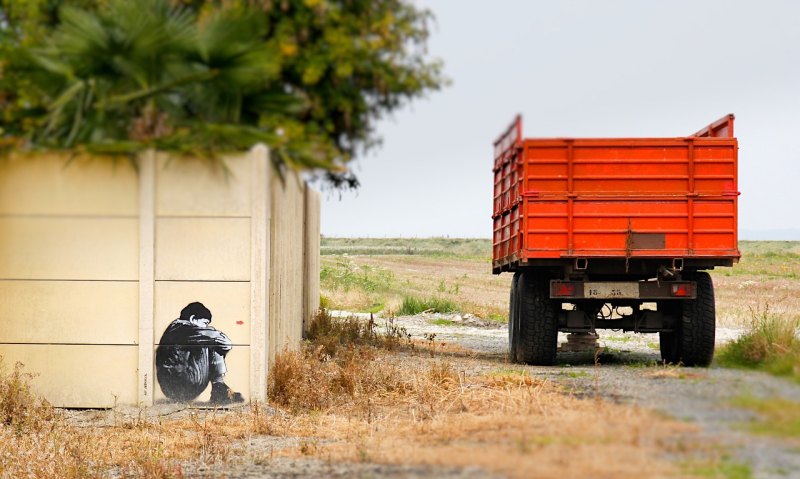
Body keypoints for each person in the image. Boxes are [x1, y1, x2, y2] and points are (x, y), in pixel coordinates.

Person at [155, 302, 244, 404]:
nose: (205, 326)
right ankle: (218, 387)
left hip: (172, 384)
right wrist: (210, 331)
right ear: (193, 319)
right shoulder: (186, 330)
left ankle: (219, 388)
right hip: (184, 383)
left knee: (209, 341)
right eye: (205, 323)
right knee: (212, 343)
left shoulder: (174, 328)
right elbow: (226, 343)